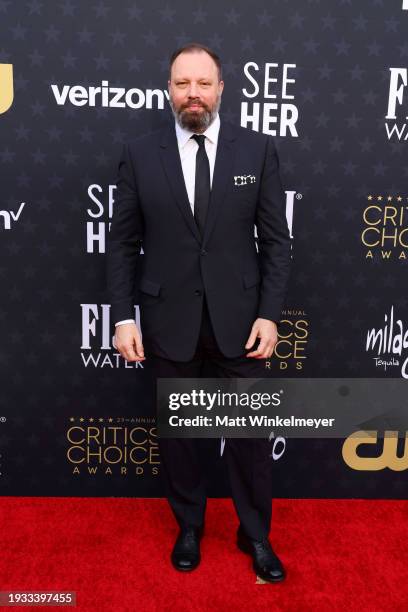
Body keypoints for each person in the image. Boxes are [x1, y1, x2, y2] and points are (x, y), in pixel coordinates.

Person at [106, 42, 292, 583]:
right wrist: (122, 319)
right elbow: (121, 245)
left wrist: (269, 314)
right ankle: (188, 526)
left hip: (243, 321)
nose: (193, 94)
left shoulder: (256, 150)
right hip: (169, 321)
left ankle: (255, 534)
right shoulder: (140, 152)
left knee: (252, 439)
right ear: (169, 90)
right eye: (183, 84)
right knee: (181, 437)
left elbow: (276, 243)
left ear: (220, 90)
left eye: (203, 84)